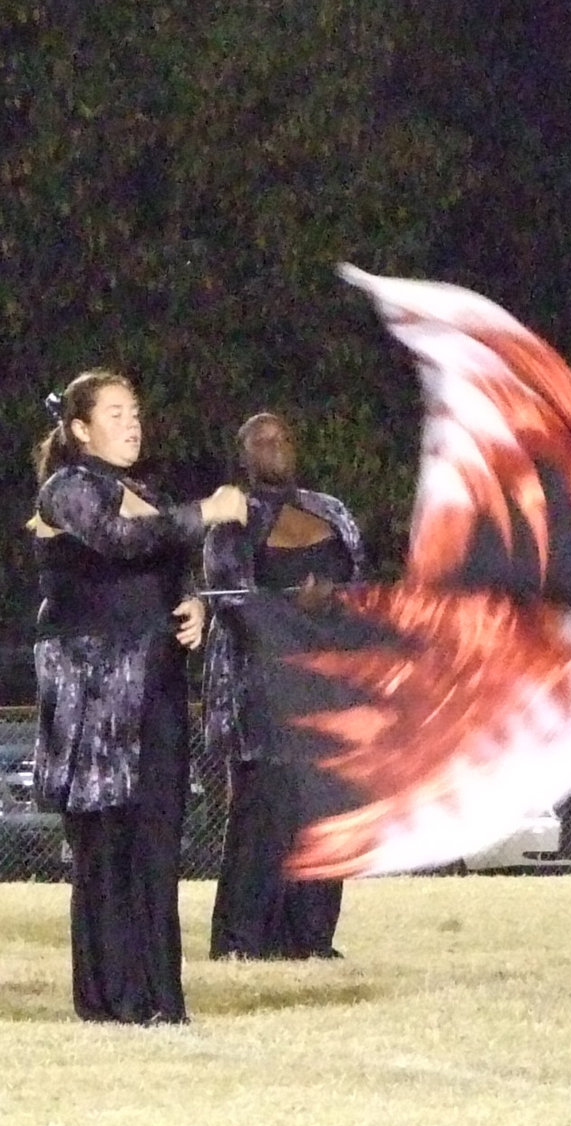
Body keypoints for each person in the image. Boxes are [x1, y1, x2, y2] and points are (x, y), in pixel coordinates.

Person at [31, 369, 247, 1024]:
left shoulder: (142, 493)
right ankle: (111, 998)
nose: (132, 423)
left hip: (154, 686)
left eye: (136, 412)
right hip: (96, 700)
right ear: (79, 428)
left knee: (157, 840)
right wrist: (206, 511)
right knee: (107, 845)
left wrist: (191, 604)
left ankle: (159, 1000)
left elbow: (158, 559)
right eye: (116, 412)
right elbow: (118, 540)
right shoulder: (66, 489)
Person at [203, 411, 364, 960]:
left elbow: (359, 592)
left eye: (284, 437)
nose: (275, 447)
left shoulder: (331, 512)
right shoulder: (232, 519)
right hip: (262, 693)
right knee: (263, 817)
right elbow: (231, 602)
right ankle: (241, 939)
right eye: (261, 440)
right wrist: (297, 607)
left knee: (324, 815)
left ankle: (312, 938)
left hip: (328, 690)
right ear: (243, 455)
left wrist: (335, 605)